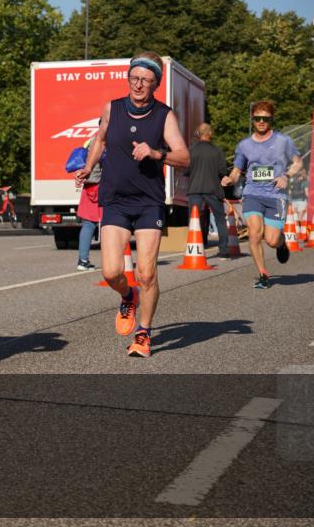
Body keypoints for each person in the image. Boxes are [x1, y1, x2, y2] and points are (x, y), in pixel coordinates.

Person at [75, 52, 190, 358]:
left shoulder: (164, 115)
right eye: (134, 78)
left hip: (149, 202)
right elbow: (99, 139)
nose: (138, 84)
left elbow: (183, 156)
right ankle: (128, 296)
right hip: (114, 199)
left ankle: (144, 333)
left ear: (155, 84)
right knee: (112, 272)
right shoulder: (112, 108)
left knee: (147, 272)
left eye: (146, 80)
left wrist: (156, 153)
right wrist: (88, 167)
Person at [221, 100, 302, 289]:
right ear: (253, 119)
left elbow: (297, 163)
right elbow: (236, 171)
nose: (261, 122)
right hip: (252, 194)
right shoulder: (244, 146)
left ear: (271, 119)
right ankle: (263, 274)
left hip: (276, 196)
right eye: (257, 118)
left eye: (265, 118)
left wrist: (286, 175)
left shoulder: (283, 141)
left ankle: (281, 244)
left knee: (271, 240)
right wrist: (230, 180)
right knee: (255, 234)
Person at [186, 123, 230, 259]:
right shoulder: (217, 151)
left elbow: (186, 170)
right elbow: (223, 171)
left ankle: (195, 249)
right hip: (213, 189)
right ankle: (223, 250)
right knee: (220, 219)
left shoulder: (191, 150)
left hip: (194, 189)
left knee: (194, 220)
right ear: (210, 134)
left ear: (198, 134)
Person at [76, 138, 102, 271]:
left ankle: (83, 260)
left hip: (89, 186)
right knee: (113, 224)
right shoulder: (105, 140)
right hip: (103, 186)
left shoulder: (90, 141)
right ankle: (116, 261)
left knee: (88, 224)